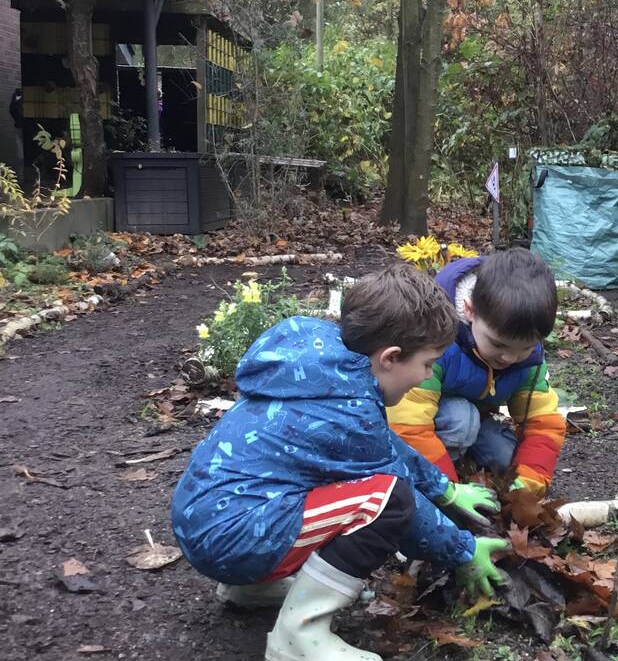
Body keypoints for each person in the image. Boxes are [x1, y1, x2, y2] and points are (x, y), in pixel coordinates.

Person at [170, 264, 506, 661]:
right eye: (428, 363)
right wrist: (463, 551)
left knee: (309, 483)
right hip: (235, 540)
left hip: (205, 520)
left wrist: (445, 489)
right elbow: (402, 503)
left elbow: (386, 446)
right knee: (388, 500)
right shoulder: (351, 414)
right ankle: (298, 636)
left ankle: (251, 587)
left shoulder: (323, 368)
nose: (427, 376)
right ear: (391, 358)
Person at [387, 248, 565, 496]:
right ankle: (435, 473)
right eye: (498, 344)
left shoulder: (529, 360)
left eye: (525, 348)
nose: (509, 358)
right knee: (462, 419)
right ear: (470, 310)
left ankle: (460, 462)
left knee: (506, 457)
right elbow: (408, 424)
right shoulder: (436, 342)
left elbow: (542, 422)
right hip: (432, 419)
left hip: (478, 420)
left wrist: (528, 484)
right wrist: (446, 491)